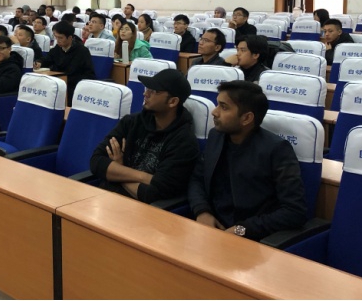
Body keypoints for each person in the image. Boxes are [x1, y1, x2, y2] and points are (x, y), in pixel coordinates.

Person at [187, 80, 308, 241]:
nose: (214, 112)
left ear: (246, 118)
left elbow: (294, 211)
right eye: (217, 104)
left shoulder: (277, 150)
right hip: (212, 226)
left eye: (224, 107)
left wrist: (243, 229)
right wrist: (202, 211)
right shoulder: (216, 136)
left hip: (252, 237)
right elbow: (197, 179)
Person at [90, 68, 199, 203]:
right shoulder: (131, 122)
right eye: (147, 89)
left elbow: (153, 194)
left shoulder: (184, 142)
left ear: (173, 102)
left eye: (154, 91)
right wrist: (145, 177)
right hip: (106, 198)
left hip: (141, 210)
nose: (145, 94)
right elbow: (96, 162)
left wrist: (119, 171)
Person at [34, 21, 95, 106]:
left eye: (60, 38)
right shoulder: (58, 48)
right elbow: (47, 59)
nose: (57, 40)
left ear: (70, 38)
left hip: (73, 86)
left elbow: (89, 75)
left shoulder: (82, 51)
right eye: (56, 37)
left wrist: (65, 79)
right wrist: (39, 63)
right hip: (57, 83)